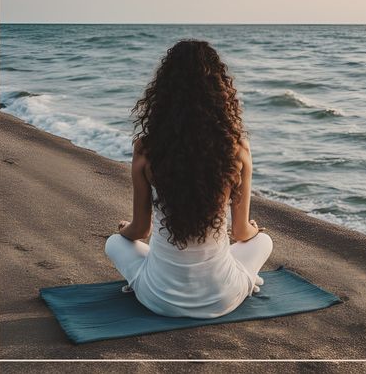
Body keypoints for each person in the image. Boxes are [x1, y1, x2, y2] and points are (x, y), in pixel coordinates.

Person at [105, 40, 273, 318]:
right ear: (220, 94)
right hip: (223, 297)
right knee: (264, 242)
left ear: (164, 93)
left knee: (114, 243)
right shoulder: (237, 149)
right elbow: (241, 233)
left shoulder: (146, 148)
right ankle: (239, 276)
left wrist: (125, 229)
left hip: (157, 297)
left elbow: (140, 231)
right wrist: (255, 230)